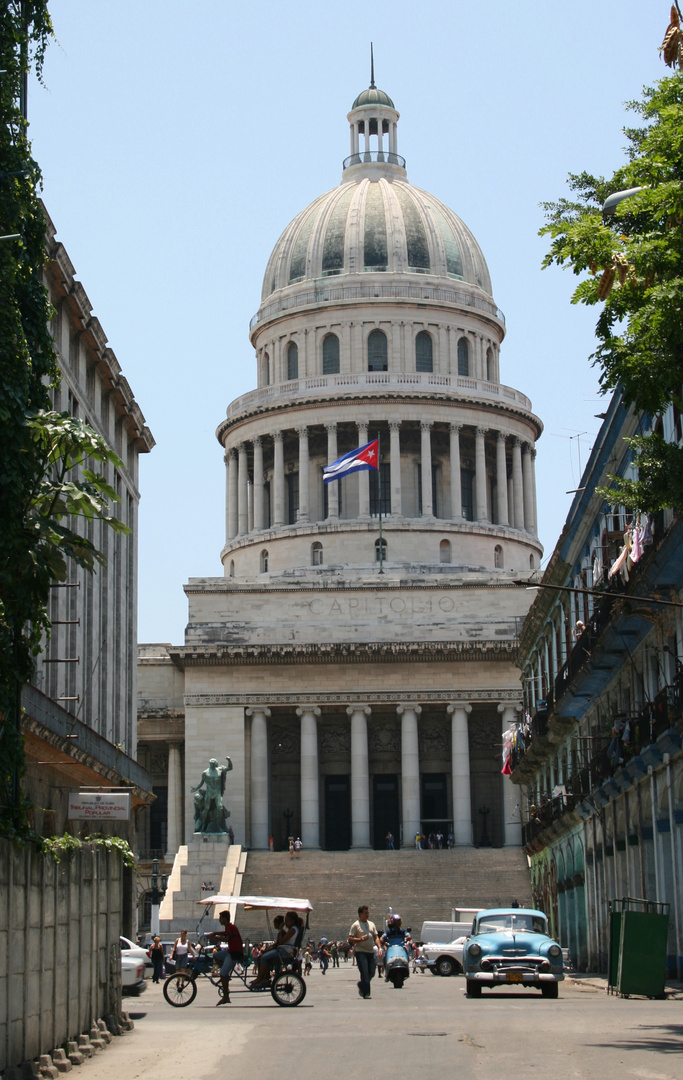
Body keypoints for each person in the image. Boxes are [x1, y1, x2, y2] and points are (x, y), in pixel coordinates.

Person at [251, 910, 299, 988]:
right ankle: (264, 978)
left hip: (285, 952)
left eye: (287, 921)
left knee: (263, 957)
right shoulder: (292, 929)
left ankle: (260, 978)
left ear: (292, 921)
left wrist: (280, 929)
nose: (285, 923)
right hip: (284, 950)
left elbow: (281, 941)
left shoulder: (293, 930)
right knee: (263, 957)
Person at [207, 909, 244, 1005]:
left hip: (234, 953)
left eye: (220, 918)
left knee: (223, 973)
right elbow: (225, 935)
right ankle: (224, 974)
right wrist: (215, 934)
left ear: (224, 919)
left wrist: (214, 936)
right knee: (216, 955)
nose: (219, 920)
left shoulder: (231, 927)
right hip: (230, 952)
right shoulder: (229, 927)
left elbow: (226, 938)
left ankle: (226, 996)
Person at [348, 904, 380, 1000]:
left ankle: (362, 984)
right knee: (365, 972)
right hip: (361, 951)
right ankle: (366, 993)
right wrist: (360, 940)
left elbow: (376, 937)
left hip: (370, 951)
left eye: (368, 913)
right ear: (360, 914)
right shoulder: (355, 925)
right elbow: (350, 938)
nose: (367, 915)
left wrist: (380, 947)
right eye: (365, 913)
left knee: (372, 972)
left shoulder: (372, 924)